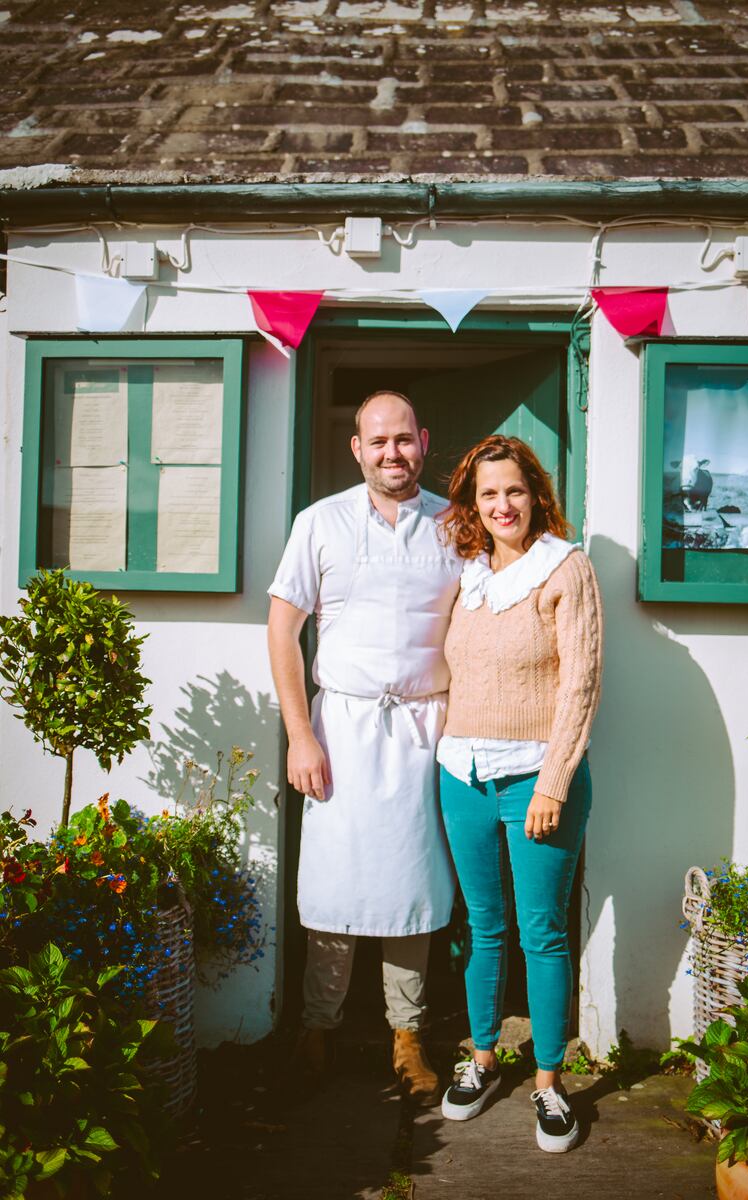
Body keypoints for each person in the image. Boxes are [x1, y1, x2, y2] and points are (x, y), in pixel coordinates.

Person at [267, 390, 461, 1104]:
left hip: (423, 733)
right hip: (340, 733)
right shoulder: (320, 523)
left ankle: (406, 1039)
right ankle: (316, 1027)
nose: (392, 453)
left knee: (411, 888)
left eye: (403, 440)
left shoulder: (455, 524)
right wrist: (299, 735)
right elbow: (282, 631)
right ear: (357, 449)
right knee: (334, 883)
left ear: (424, 441)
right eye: (377, 441)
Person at [436, 434, 603, 1152]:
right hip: (461, 776)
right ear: (474, 506)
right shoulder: (468, 574)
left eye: (515, 491)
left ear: (536, 495)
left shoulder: (566, 569)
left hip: (539, 778)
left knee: (542, 933)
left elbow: (581, 682)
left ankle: (548, 1083)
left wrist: (555, 784)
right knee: (481, 926)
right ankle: (480, 1060)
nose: (503, 505)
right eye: (488, 494)